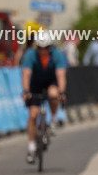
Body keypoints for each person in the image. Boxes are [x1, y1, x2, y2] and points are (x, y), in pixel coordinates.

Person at [20, 30, 68, 165]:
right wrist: (26, 91)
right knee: (33, 115)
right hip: (35, 83)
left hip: (50, 82)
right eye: (40, 48)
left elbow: (61, 75)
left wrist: (62, 92)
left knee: (54, 94)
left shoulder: (57, 55)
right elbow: (26, 74)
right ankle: (31, 147)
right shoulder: (30, 55)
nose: (43, 51)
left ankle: (52, 119)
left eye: (46, 48)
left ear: (50, 47)